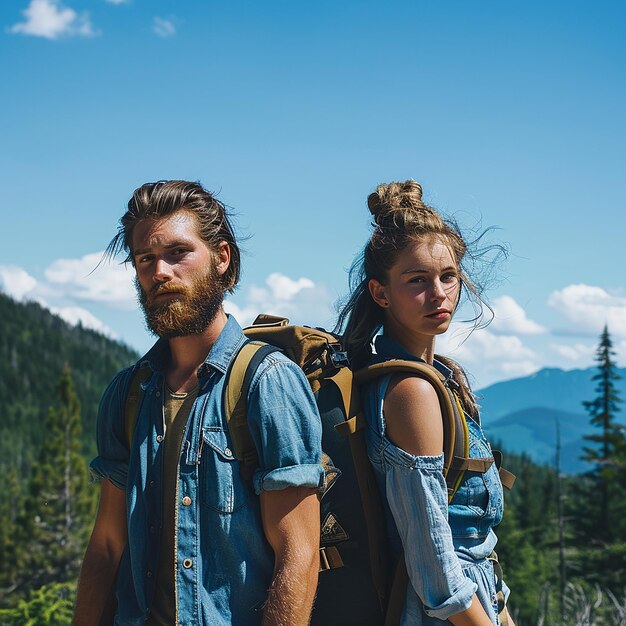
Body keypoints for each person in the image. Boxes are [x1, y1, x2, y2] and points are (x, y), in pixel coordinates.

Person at [73, 180, 323, 626]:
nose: (160, 272)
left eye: (177, 253)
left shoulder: (267, 382)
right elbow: (107, 545)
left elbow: (298, 556)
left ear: (222, 258)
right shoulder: (128, 393)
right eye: (145, 259)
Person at [336, 180, 514, 626]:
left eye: (448, 276)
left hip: (481, 602)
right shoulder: (411, 392)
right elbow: (434, 563)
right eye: (417, 280)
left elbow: (473, 543)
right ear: (380, 293)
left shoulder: (443, 377)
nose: (439, 293)